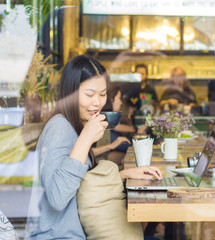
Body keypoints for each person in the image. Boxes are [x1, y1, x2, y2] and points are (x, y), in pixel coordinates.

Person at [26, 55, 162, 239]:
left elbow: (80, 185)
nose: (98, 103)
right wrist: (85, 139)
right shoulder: (60, 128)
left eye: (103, 94)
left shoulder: (75, 125)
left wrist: (123, 175)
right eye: (89, 95)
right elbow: (57, 198)